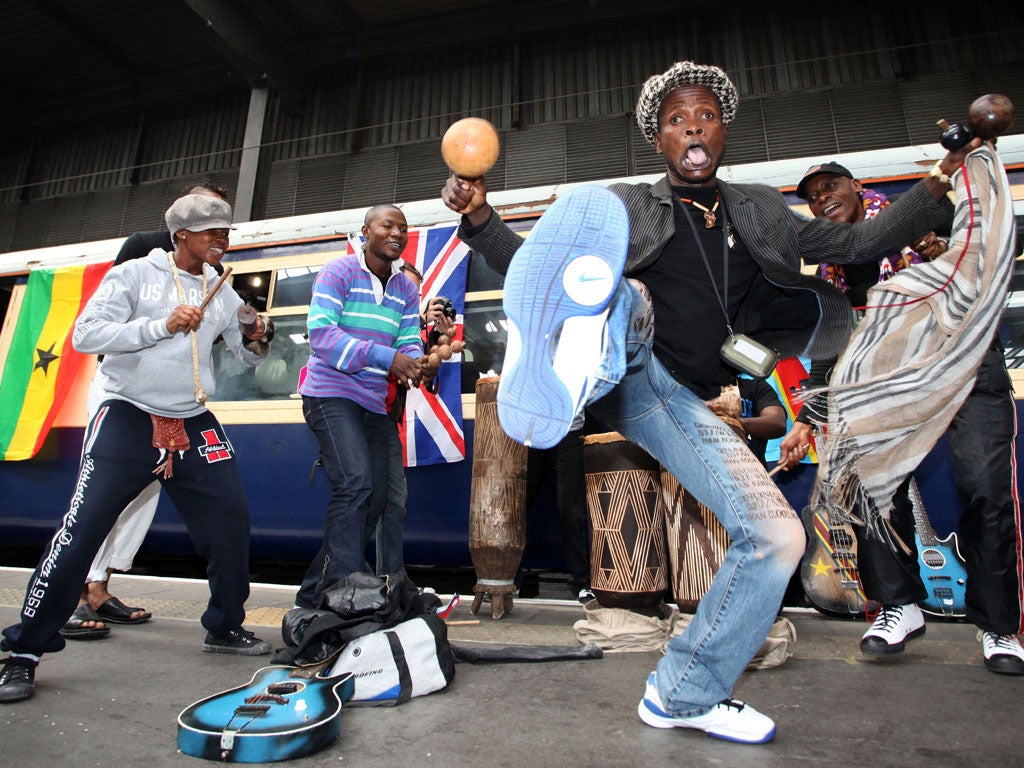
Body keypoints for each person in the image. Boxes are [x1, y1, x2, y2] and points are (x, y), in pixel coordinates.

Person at [442, 60, 974, 743]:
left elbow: (861, 240)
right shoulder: (629, 206)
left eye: (705, 116)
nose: (691, 126)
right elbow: (532, 266)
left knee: (777, 536)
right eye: (675, 120)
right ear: (657, 140)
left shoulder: (759, 210)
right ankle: (573, 356)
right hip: (630, 376)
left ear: (722, 130)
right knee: (622, 293)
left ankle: (685, 692)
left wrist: (940, 177)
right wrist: (482, 216)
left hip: (684, 404)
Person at [0, 193, 276, 703]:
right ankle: (24, 651)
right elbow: (86, 335)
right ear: (181, 237)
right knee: (82, 531)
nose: (222, 238)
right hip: (129, 414)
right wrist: (161, 324)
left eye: (226, 231)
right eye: (212, 231)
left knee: (231, 523)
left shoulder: (223, 288)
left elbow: (250, 356)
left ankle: (224, 626)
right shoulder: (133, 276)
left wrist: (257, 332)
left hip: (192, 419)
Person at [778, 161, 1024, 675]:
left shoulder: (922, 220)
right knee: (868, 490)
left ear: (857, 187)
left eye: (831, 186)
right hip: (888, 386)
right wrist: (807, 418)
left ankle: (999, 626)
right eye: (812, 196)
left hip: (964, 367)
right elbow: (829, 349)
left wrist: (946, 253)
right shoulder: (829, 273)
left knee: (985, 489)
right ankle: (900, 605)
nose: (823, 198)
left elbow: (1000, 246)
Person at [61, 181, 231, 640]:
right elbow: (104, 322)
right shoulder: (142, 254)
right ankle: (72, 595)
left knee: (146, 495)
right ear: (180, 224)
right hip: (125, 394)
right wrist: (164, 322)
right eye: (203, 212)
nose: (214, 223)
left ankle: (99, 586)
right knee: (101, 495)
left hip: (177, 400)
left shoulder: (215, 274)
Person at [294, 204, 427, 609]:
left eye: (403, 228)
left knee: (376, 498)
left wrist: (414, 362)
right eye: (388, 225)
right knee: (355, 484)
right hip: (330, 393)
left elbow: (407, 341)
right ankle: (341, 591)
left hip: (373, 402)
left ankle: (312, 593)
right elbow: (321, 336)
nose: (397, 233)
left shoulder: (405, 288)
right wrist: (390, 360)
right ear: (365, 231)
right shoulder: (339, 272)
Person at [374, 261, 456, 577]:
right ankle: (333, 579)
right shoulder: (373, 315)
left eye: (415, 293)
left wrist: (435, 341)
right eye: (406, 289)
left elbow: (416, 376)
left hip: (385, 421)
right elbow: (381, 344)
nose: (411, 297)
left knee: (393, 500)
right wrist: (420, 322)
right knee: (358, 499)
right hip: (355, 415)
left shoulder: (410, 330)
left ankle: (390, 578)